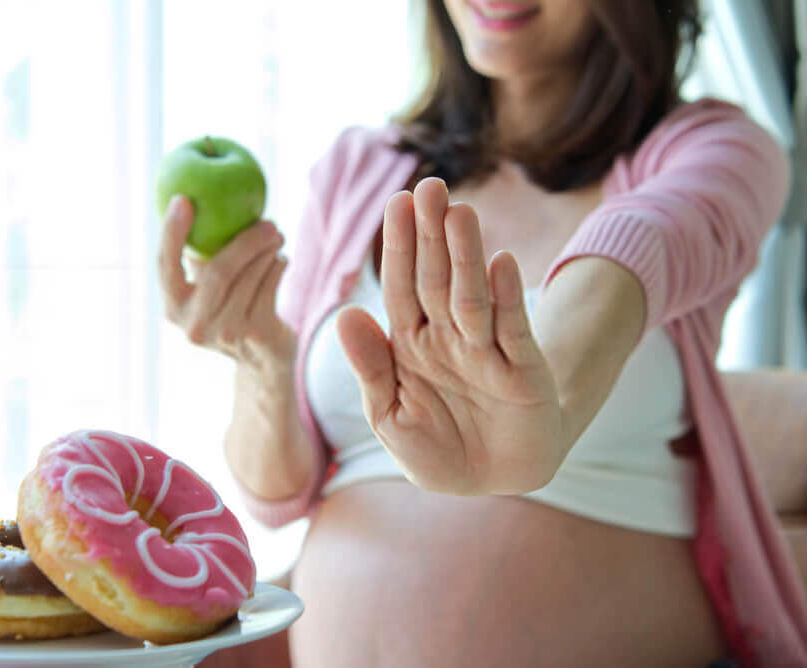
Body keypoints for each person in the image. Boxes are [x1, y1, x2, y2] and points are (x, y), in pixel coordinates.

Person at [158, 1, 807, 666]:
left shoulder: (717, 150)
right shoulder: (358, 168)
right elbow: (276, 494)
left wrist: (543, 410)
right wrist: (263, 360)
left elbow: (647, 240)